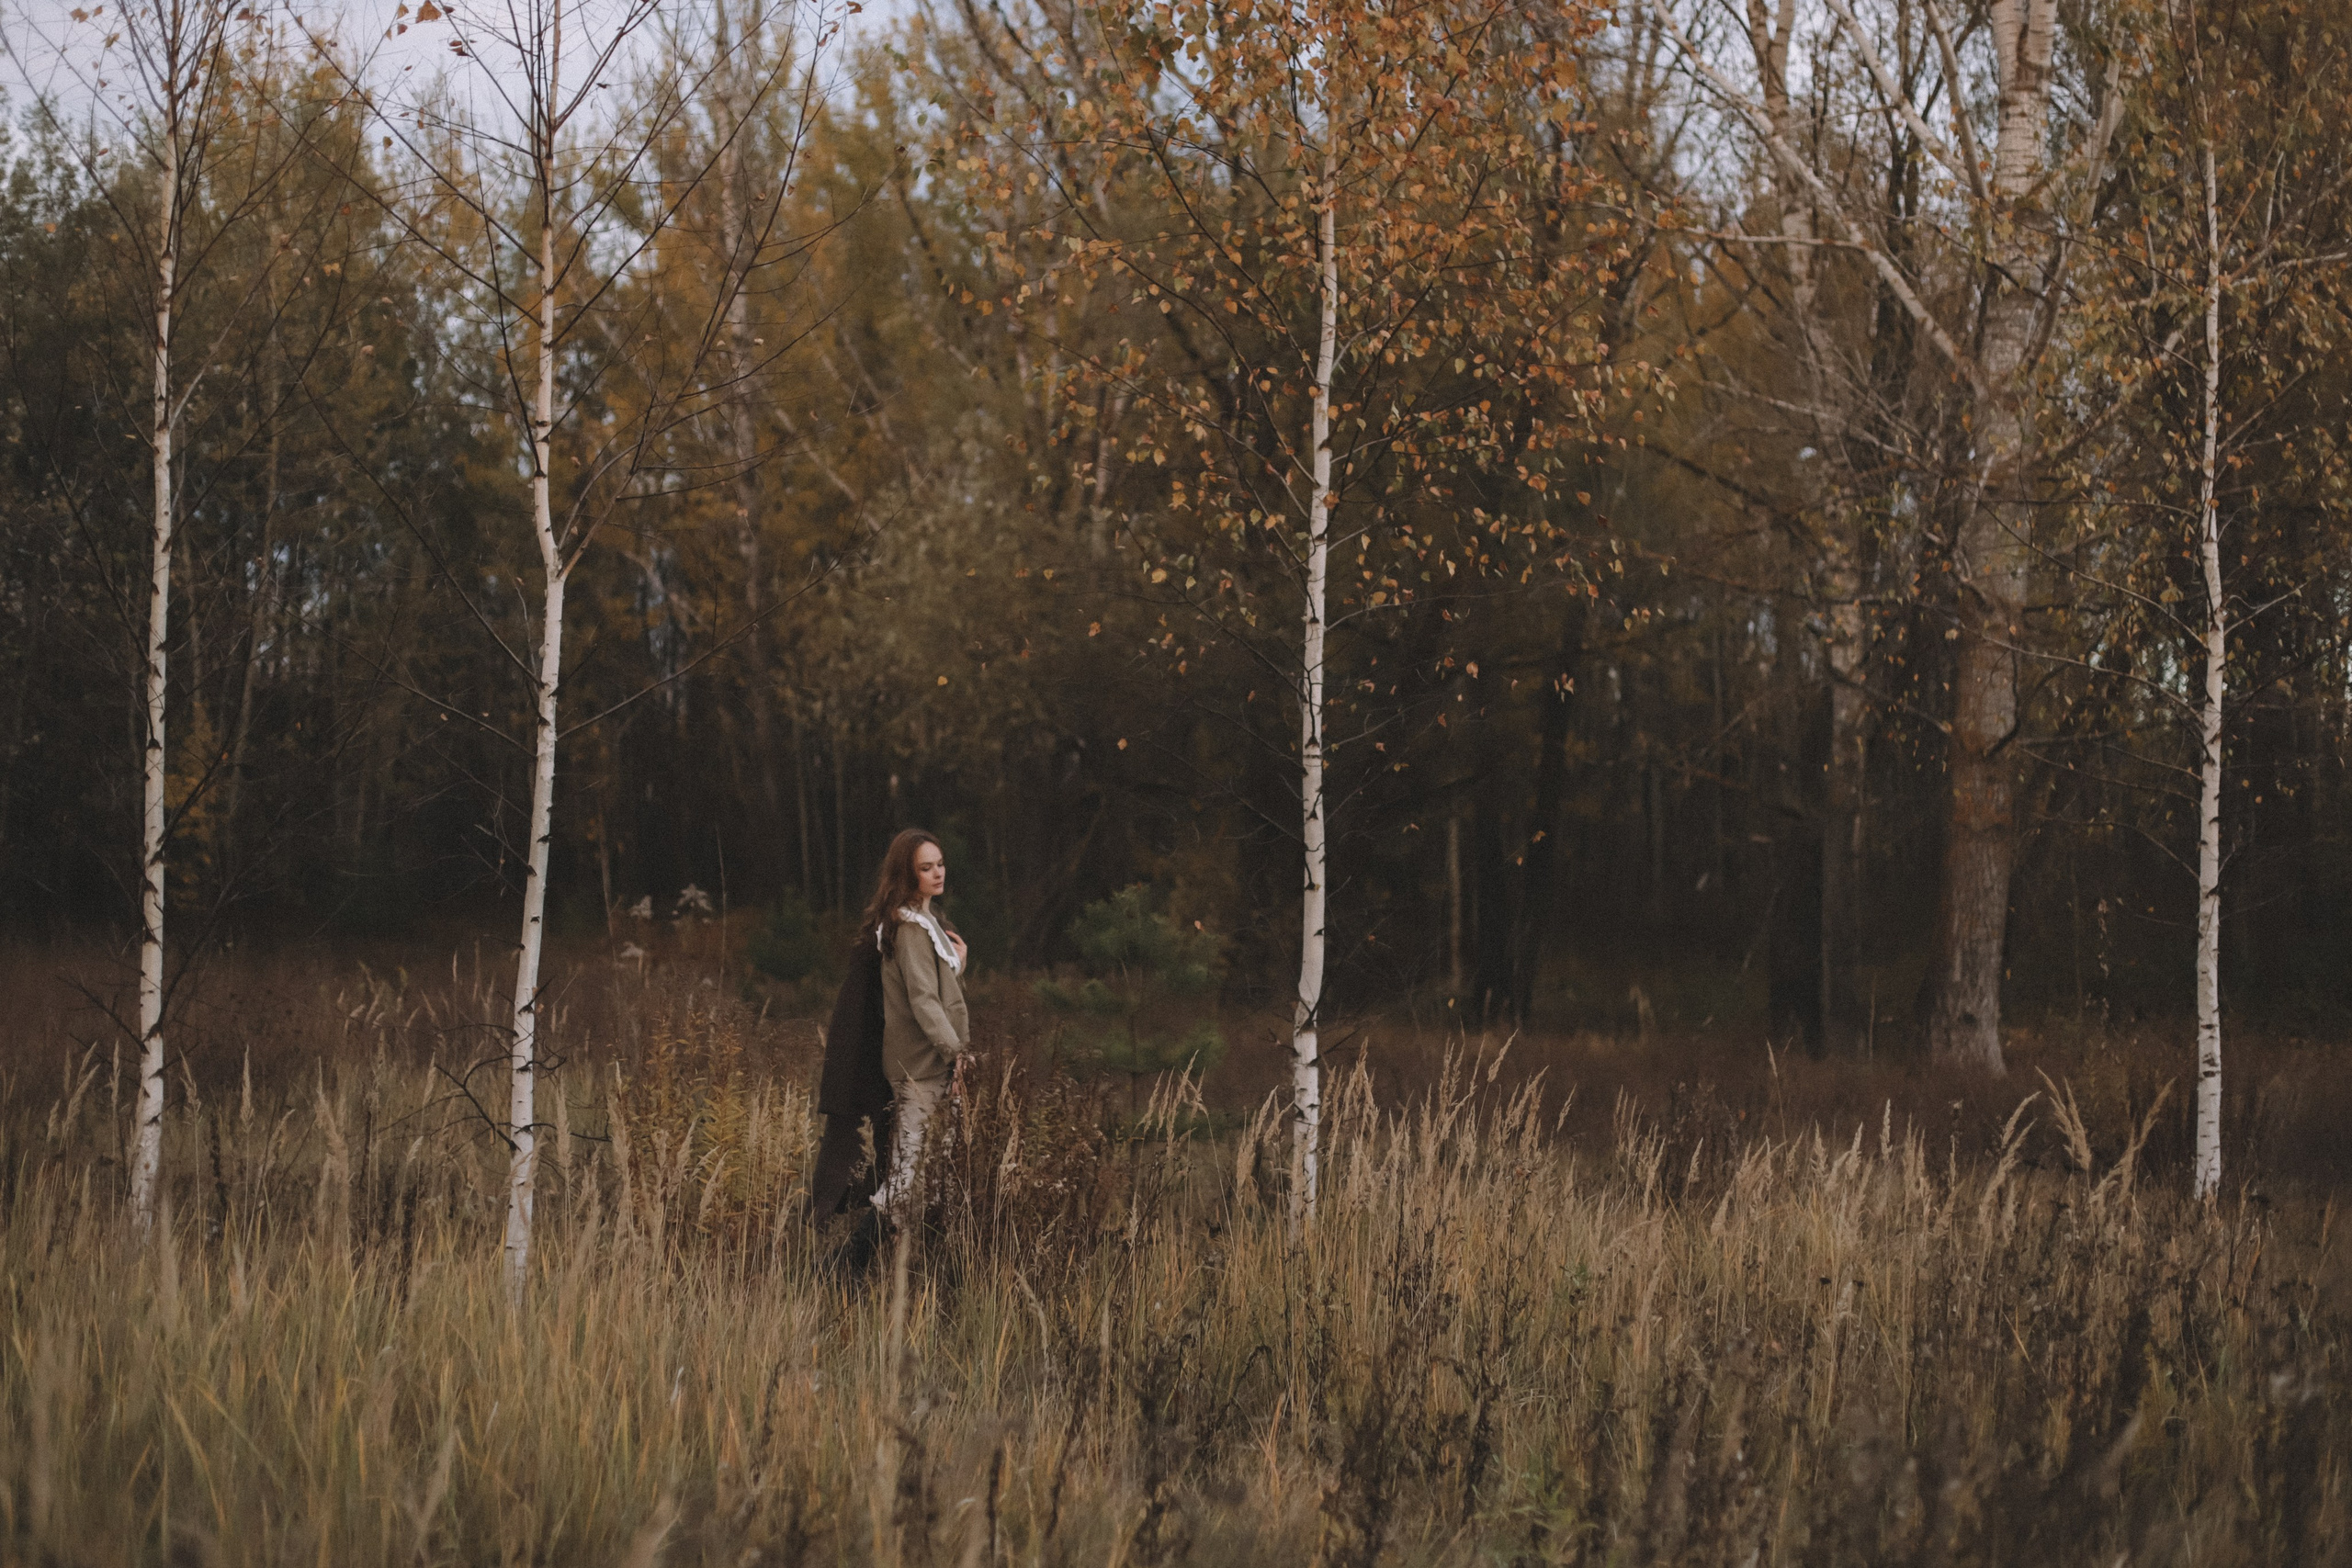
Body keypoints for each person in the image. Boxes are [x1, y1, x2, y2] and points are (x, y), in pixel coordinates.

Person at [858, 828, 969, 1218]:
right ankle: (853, 1253)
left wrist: (957, 965)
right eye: (926, 868)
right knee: (906, 1176)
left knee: (939, 1174)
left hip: (934, 1064)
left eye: (940, 864)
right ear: (907, 874)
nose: (938, 873)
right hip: (921, 1067)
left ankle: (925, 1250)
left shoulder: (925, 920)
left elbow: (928, 990)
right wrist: (956, 1053)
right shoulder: (909, 928)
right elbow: (923, 1000)